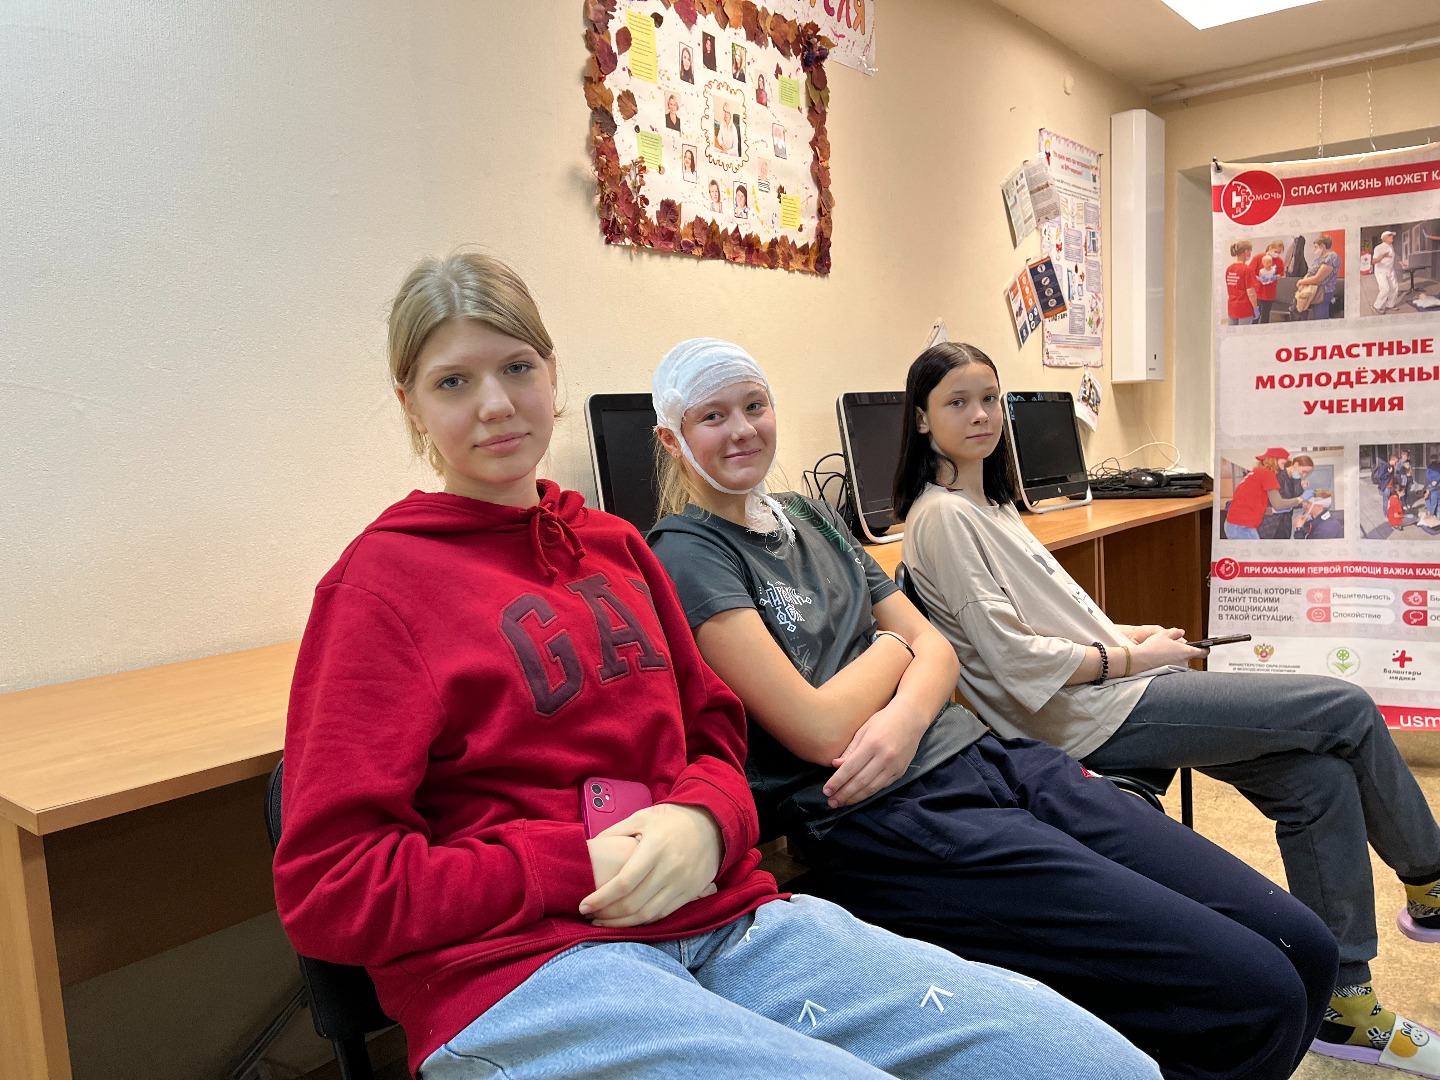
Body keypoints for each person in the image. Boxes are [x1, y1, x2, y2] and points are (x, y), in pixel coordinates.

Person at [271, 255, 1162, 1080]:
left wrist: (705, 819)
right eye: (453, 382)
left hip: (721, 919)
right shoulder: (378, 589)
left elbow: (714, 741)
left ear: (551, 372)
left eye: (516, 368)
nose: (497, 404)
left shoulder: (615, 547)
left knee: (1093, 1063)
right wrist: (576, 863)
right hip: (525, 968)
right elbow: (330, 886)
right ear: (410, 404)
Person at [647, 337, 1339, 1080]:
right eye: (713, 416)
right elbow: (820, 727)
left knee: (1307, 948)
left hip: (987, 756)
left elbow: (938, 649)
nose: (743, 429)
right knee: (1256, 997)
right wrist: (899, 649)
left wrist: (904, 705)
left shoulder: (806, 516)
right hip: (888, 814)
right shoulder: (687, 553)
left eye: (754, 406)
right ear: (672, 439)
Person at [896, 340, 1440, 1079]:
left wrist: (1130, 635)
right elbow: (1016, 661)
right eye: (957, 402)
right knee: (1344, 707)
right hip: (1082, 715)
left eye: (990, 398)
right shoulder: (942, 518)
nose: (982, 415)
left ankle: (1344, 1004)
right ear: (921, 420)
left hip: (1107, 690)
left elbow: (1052, 620)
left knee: (1317, 780)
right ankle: (1431, 881)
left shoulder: (987, 505)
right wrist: (1137, 659)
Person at [1224, 449, 1306, 539]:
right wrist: (1301, 499)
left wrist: (1272, 511)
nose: (1283, 468)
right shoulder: (1268, 474)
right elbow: (1278, 504)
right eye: (1283, 463)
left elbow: (1251, 503)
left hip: (1232, 524)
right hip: (1243, 526)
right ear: (1274, 460)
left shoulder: (1256, 472)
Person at [1297, 233, 1342, 320]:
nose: (1314, 250)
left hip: (1323, 291)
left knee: (1320, 317)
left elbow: (1318, 278)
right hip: (1313, 290)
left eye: (1316, 247)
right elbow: (1310, 273)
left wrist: (1301, 281)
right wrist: (1304, 283)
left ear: (1322, 246)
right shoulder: (1320, 258)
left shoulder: (1331, 257)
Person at [1250, 241, 1285, 324]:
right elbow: (1250, 273)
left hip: (1270, 293)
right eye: (1276, 251)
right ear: (1270, 248)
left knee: (1265, 316)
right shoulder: (1258, 258)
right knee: (1255, 316)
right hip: (1258, 292)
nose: (1277, 254)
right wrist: (1259, 278)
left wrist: (1275, 277)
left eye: (1279, 252)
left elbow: (1281, 273)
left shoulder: (1279, 260)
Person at [1224, 240, 1258, 325]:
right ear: (1246, 251)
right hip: (1245, 307)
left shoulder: (1229, 269)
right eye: (1250, 251)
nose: (1250, 254)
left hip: (1232, 306)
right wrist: (1255, 308)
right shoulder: (1247, 269)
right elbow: (1251, 293)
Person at [1374, 230, 1401, 312]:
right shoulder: (1379, 248)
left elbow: (1393, 258)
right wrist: (1383, 256)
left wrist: (1401, 262)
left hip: (1390, 270)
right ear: (1384, 238)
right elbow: (1374, 261)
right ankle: (1377, 306)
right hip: (1381, 271)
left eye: (1392, 235)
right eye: (1389, 236)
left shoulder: (1391, 247)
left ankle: (1390, 305)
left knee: (1394, 288)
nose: (1392, 237)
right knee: (1385, 289)